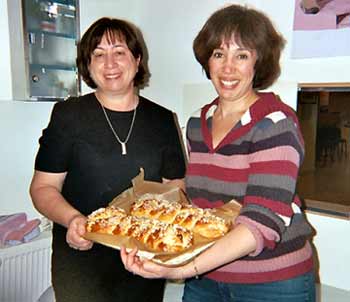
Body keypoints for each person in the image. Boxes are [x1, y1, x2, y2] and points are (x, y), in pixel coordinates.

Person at [121, 4, 316, 302]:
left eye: (242, 55)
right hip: (208, 280)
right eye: (218, 54)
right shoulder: (198, 123)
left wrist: (183, 267)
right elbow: (202, 204)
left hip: (271, 283)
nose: (228, 68)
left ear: (258, 62)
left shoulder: (275, 123)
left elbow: (262, 221)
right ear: (207, 60)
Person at [30, 17, 186, 302]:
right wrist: (73, 219)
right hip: (81, 262)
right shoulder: (68, 116)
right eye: (98, 55)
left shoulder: (163, 120)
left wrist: (167, 239)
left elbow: (175, 184)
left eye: (119, 53)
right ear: (88, 65)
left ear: (137, 60)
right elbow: (42, 188)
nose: (109, 63)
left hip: (143, 261)